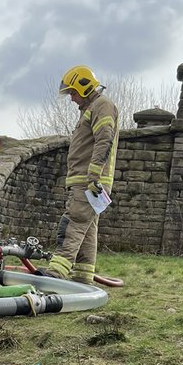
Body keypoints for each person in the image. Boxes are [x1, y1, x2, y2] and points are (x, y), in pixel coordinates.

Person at [41, 65, 119, 283]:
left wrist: (93, 176)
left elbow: (104, 139)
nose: (72, 98)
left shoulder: (102, 106)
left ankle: (56, 272)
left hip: (89, 181)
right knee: (88, 227)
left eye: (73, 92)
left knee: (74, 222)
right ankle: (83, 277)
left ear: (84, 88)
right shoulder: (94, 108)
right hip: (88, 181)